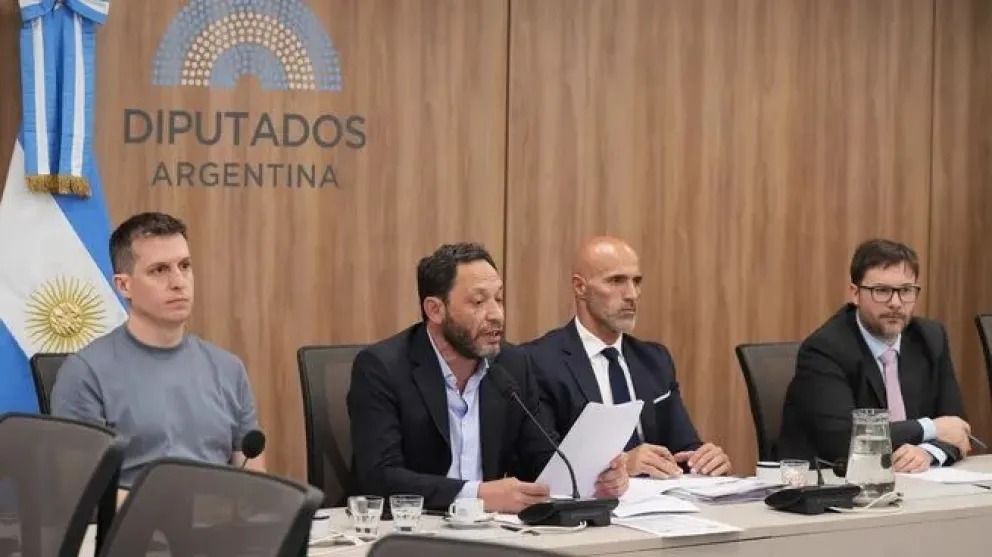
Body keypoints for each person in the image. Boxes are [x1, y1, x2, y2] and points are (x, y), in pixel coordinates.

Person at [347, 243, 628, 513]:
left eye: (499, 299)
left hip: (493, 531)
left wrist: (597, 476)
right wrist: (477, 494)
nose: (496, 315)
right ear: (435, 310)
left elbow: (543, 460)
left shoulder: (512, 365)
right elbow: (380, 478)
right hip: (410, 530)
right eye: (479, 301)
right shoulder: (382, 368)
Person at [51, 212, 264, 496]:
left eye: (184, 266)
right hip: (132, 521)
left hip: (218, 519)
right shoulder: (85, 373)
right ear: (124, 285)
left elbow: (253, 479)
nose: (178, 282)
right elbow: (82, 492)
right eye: (160, 270)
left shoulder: (229, 369)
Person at [526, 237, 731, 479]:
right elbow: (543, 466)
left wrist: (705, 460)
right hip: (591, 501)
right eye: (616, 281)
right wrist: (622, 464)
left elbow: (683, 448)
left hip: (657, 498)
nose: (632, 294)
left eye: (637, 281)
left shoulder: (654, 360)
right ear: (580, 287)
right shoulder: (538, 362)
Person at [779, 239, 971, 472]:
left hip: (912, 481)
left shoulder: (930, 338)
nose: (896, 303)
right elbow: (844, 440)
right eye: (882, 291)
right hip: (834, 483)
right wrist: (929, 429)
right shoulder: (824, 350)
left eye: (906, 291)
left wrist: (927, 452)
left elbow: (956, 427)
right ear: (855, 293)